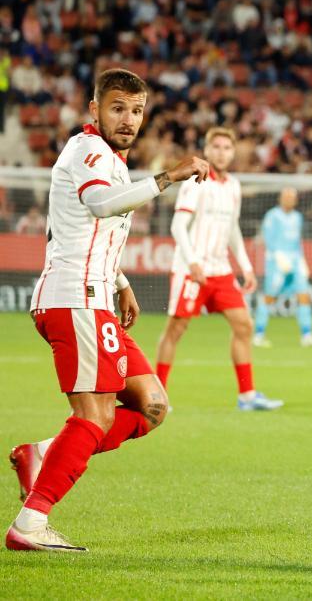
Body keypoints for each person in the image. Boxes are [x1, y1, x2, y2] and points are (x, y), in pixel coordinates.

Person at [7, 68, 209, 551]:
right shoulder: (88, 150)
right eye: (118, 107)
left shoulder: (111, 159)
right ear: (95, 109)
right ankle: (30, 525)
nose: (129, 119)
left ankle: (43, 454)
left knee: (152, 405)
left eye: (137, 110)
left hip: (94, 296)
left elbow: (75, 227)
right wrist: (167, 177)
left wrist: (121, 282)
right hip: (73, 300)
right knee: (95, 416)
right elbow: (100, 206)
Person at [154, 127, 281, 411]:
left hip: (221, 271)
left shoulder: (233, 186)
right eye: (217, 147)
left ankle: (247, 396)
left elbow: (232, 228)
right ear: (207, 150)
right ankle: (158, 394)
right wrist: (193, 262)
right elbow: (178, 226)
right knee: (176, 329)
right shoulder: (194, 182)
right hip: (191, 270)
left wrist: (246, 267)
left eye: (227, 147)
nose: (222, 152)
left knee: (244, 325)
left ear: (233, 153)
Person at [253, 187, 312, 348]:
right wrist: (278, 256)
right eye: (286, 197)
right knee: (269, 298)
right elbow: (268, 238)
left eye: (292, 197)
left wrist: (302, 261)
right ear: (280, 199)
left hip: (295, 261)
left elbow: (297, 241)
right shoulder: (272, 216)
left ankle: (307, 335)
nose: (289, 200)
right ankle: (258, 334)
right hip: (277, 262)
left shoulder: (297, 217)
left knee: (304, 296)